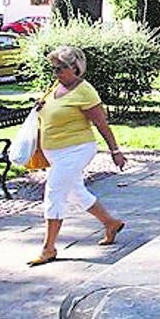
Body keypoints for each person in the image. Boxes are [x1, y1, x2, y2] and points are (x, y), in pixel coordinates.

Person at [27, 46, 127, 266]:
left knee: (54, 192)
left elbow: (101, 123)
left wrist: (115, 151)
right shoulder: (56, 87)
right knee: (75, 192)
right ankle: (111, 223)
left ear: (75, 67)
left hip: (77, 149)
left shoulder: (85, 91)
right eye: (54, 68)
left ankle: (48, 248)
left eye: (60, 68)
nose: (56, 72)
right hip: (55, 152)